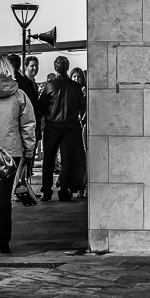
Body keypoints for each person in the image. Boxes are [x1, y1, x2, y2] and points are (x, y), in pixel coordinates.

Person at [0, 55, 36, 253]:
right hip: (12, 151)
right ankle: (4, 239)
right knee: (5, 196)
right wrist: (29, 152)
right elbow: (28, 126)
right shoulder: (19, 94)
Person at [37, 56, 85, 202]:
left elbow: (41, 107)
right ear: (68, 67)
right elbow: (82, 107)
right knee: (67, 160)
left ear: (55, 67)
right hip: (70, 127)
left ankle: (46, 190)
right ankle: (64, 190)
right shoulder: (75, 87)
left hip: (52, 126)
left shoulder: (49, 85)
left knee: (48, 159)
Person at [9, 54, 40, 143]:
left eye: (36, 66)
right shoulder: (24, 82)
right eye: (32, 66)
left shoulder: (30, 82)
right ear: (25, 67)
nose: (35, 68)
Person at [69, 67, 88, 199]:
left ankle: (82, 187)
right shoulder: (70, 91)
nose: (76, 79)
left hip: (83, 126)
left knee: (84, 157)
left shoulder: (86, 92)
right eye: (74, 76)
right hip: (72, 127)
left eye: (78, 76)